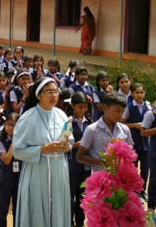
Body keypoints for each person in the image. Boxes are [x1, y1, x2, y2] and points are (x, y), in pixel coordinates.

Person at [12, 77, 73, 227]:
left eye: (56, 91)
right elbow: (17, 151)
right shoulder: (27, 117)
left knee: (58, 207)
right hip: (37, 171)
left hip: (59, 170)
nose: (54, 96)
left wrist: (67, 147)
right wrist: (42, 149)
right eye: (49, 92)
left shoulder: (61, 115)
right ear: (38, 95)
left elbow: (69, 140)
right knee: (37, 211)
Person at [76, 91, 133, 172]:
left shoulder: (125, 129)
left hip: (120, 176)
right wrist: (103, 162)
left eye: (122, 112)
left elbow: (130, 153)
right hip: (100, 177)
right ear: (105, 108)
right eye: (117, 111)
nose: (120, 115)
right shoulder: (92, 129)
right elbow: (80, 157)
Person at [122, 83, 150, 200]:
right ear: (132, 94)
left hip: (145, 143)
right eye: (137, 92)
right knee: (133, 168)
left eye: (141, 92)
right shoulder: (129, 107)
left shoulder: (147, 107)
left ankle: (142, 190)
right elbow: (122, 123)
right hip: (133, 142)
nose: (139, 95)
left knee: (145, 168)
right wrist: (134, 125)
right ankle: (133, 190)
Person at [68, 92, 91, 227]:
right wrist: (77, 144)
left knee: (83, 196)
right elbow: (63, 143)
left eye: (84, 107)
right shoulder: (68, 122)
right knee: (70, 196)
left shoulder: (90, 123)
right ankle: (69, 222)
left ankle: (80, 222)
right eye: (79, 107)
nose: (82, 110)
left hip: (85, 165)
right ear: (73, 106)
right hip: (72, 164)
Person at [0, 112, 20, 227]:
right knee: (3, 208)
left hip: (19, 177)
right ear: (4, 125)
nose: (11, 128)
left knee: (17, 209)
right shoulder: (0, 140)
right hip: (6, 178)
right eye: (9, 124)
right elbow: (6, 160)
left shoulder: (23, 140)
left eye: (15, 125)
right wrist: (13, 143)